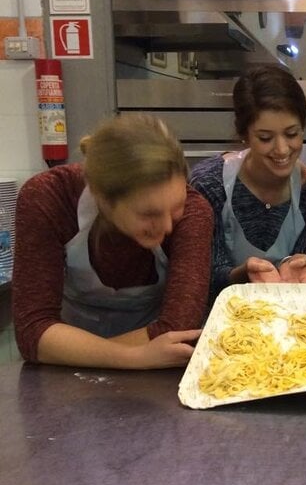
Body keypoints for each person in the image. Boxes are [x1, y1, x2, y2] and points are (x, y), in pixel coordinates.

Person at [12, 114, 213, 369]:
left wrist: (62, 349)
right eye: (148, 214)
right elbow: (33, 331)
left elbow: (177, 329)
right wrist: (134, 357)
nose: (167, 226)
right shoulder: (49, 197)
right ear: (102, 199)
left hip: (141, 373)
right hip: (67, 376)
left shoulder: (195, 212)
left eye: (176, 207)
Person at [190, 66, 306, 298]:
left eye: (291, 134)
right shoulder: (209, 185)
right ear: (244, 134)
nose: (282, 149)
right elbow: (199, 279)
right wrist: (243, 274)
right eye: (265, 138)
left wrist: (299, 265)